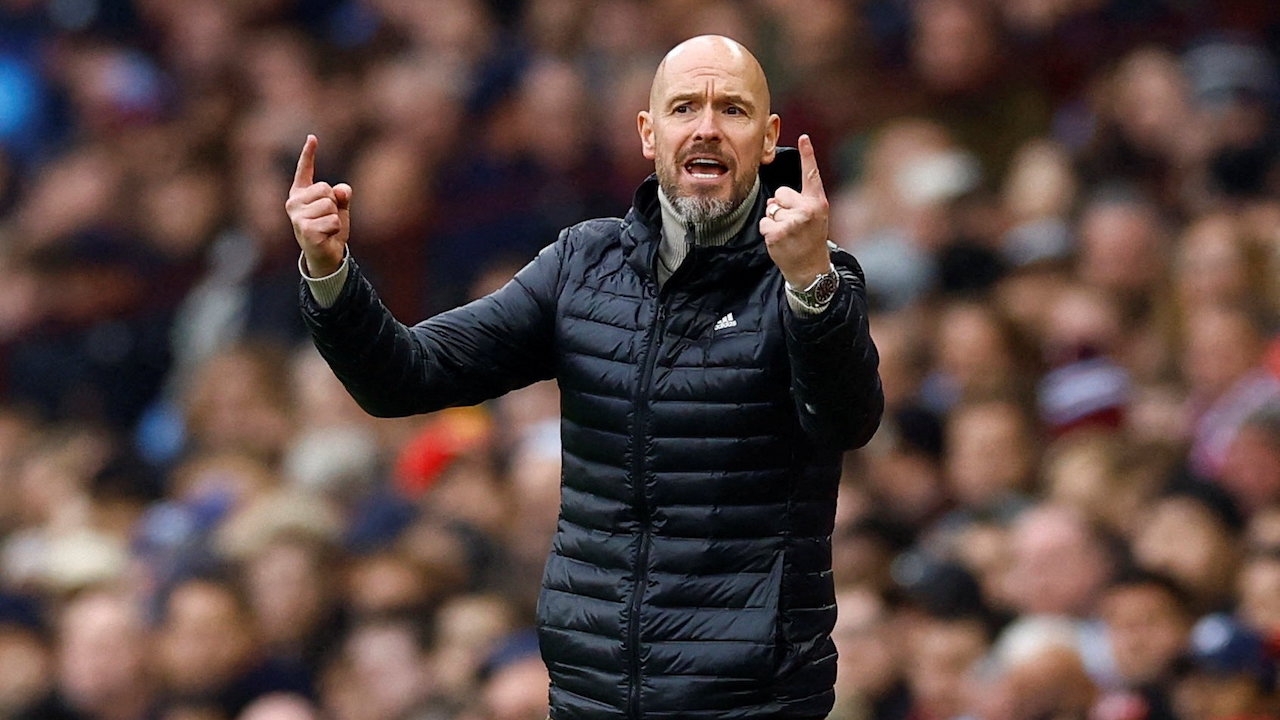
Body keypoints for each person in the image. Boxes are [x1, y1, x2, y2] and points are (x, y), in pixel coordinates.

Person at [286, 34, 883, 720]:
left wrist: (810, 282)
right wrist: (330, 272)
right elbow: (406, 376)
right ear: (648, 134)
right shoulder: (582, 264)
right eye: (684, 108)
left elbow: (846, 421)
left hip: (751, 700)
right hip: (591, 690)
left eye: (733, 109)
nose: (706, 128)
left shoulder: (814, 277)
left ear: (769, 137)